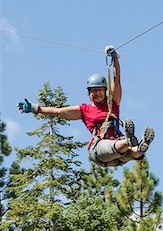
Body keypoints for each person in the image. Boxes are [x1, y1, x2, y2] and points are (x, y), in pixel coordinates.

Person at [17, 46, 155, 167]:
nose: (96, 94)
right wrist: (34, 108)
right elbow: (58, 112)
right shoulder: (84, 110)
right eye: (93, 91)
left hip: (118, 153)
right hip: (99, 150)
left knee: (134, 152)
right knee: (122, 144)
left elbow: (116, 79)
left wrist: (115, 59)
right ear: (89, 94)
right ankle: (129, 140)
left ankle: (140, 147)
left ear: (105, 91)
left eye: (99, 90)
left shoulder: (113, 103)